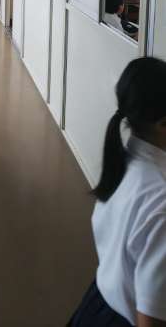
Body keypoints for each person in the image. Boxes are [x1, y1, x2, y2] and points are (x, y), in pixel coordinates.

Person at [68, 56, 166, 327]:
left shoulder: (123, 164)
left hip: (97, 304)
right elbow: (150, 318)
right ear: (162, 123)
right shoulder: (160, 202)